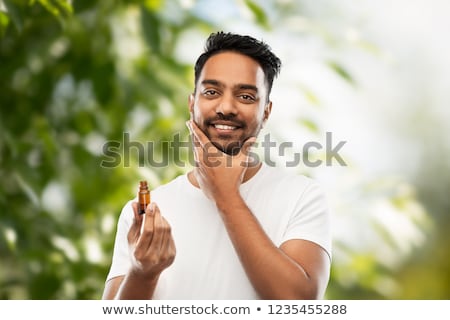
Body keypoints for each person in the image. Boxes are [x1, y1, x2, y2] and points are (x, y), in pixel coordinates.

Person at [102, 31, 331, 300]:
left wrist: (226, 196)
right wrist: (143, 272)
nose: (226, 107)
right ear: (192, 103)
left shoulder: (302, 196)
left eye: (245, 96)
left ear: (266, 112)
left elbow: (300, 303)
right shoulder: (148, 211)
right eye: (211, 92)